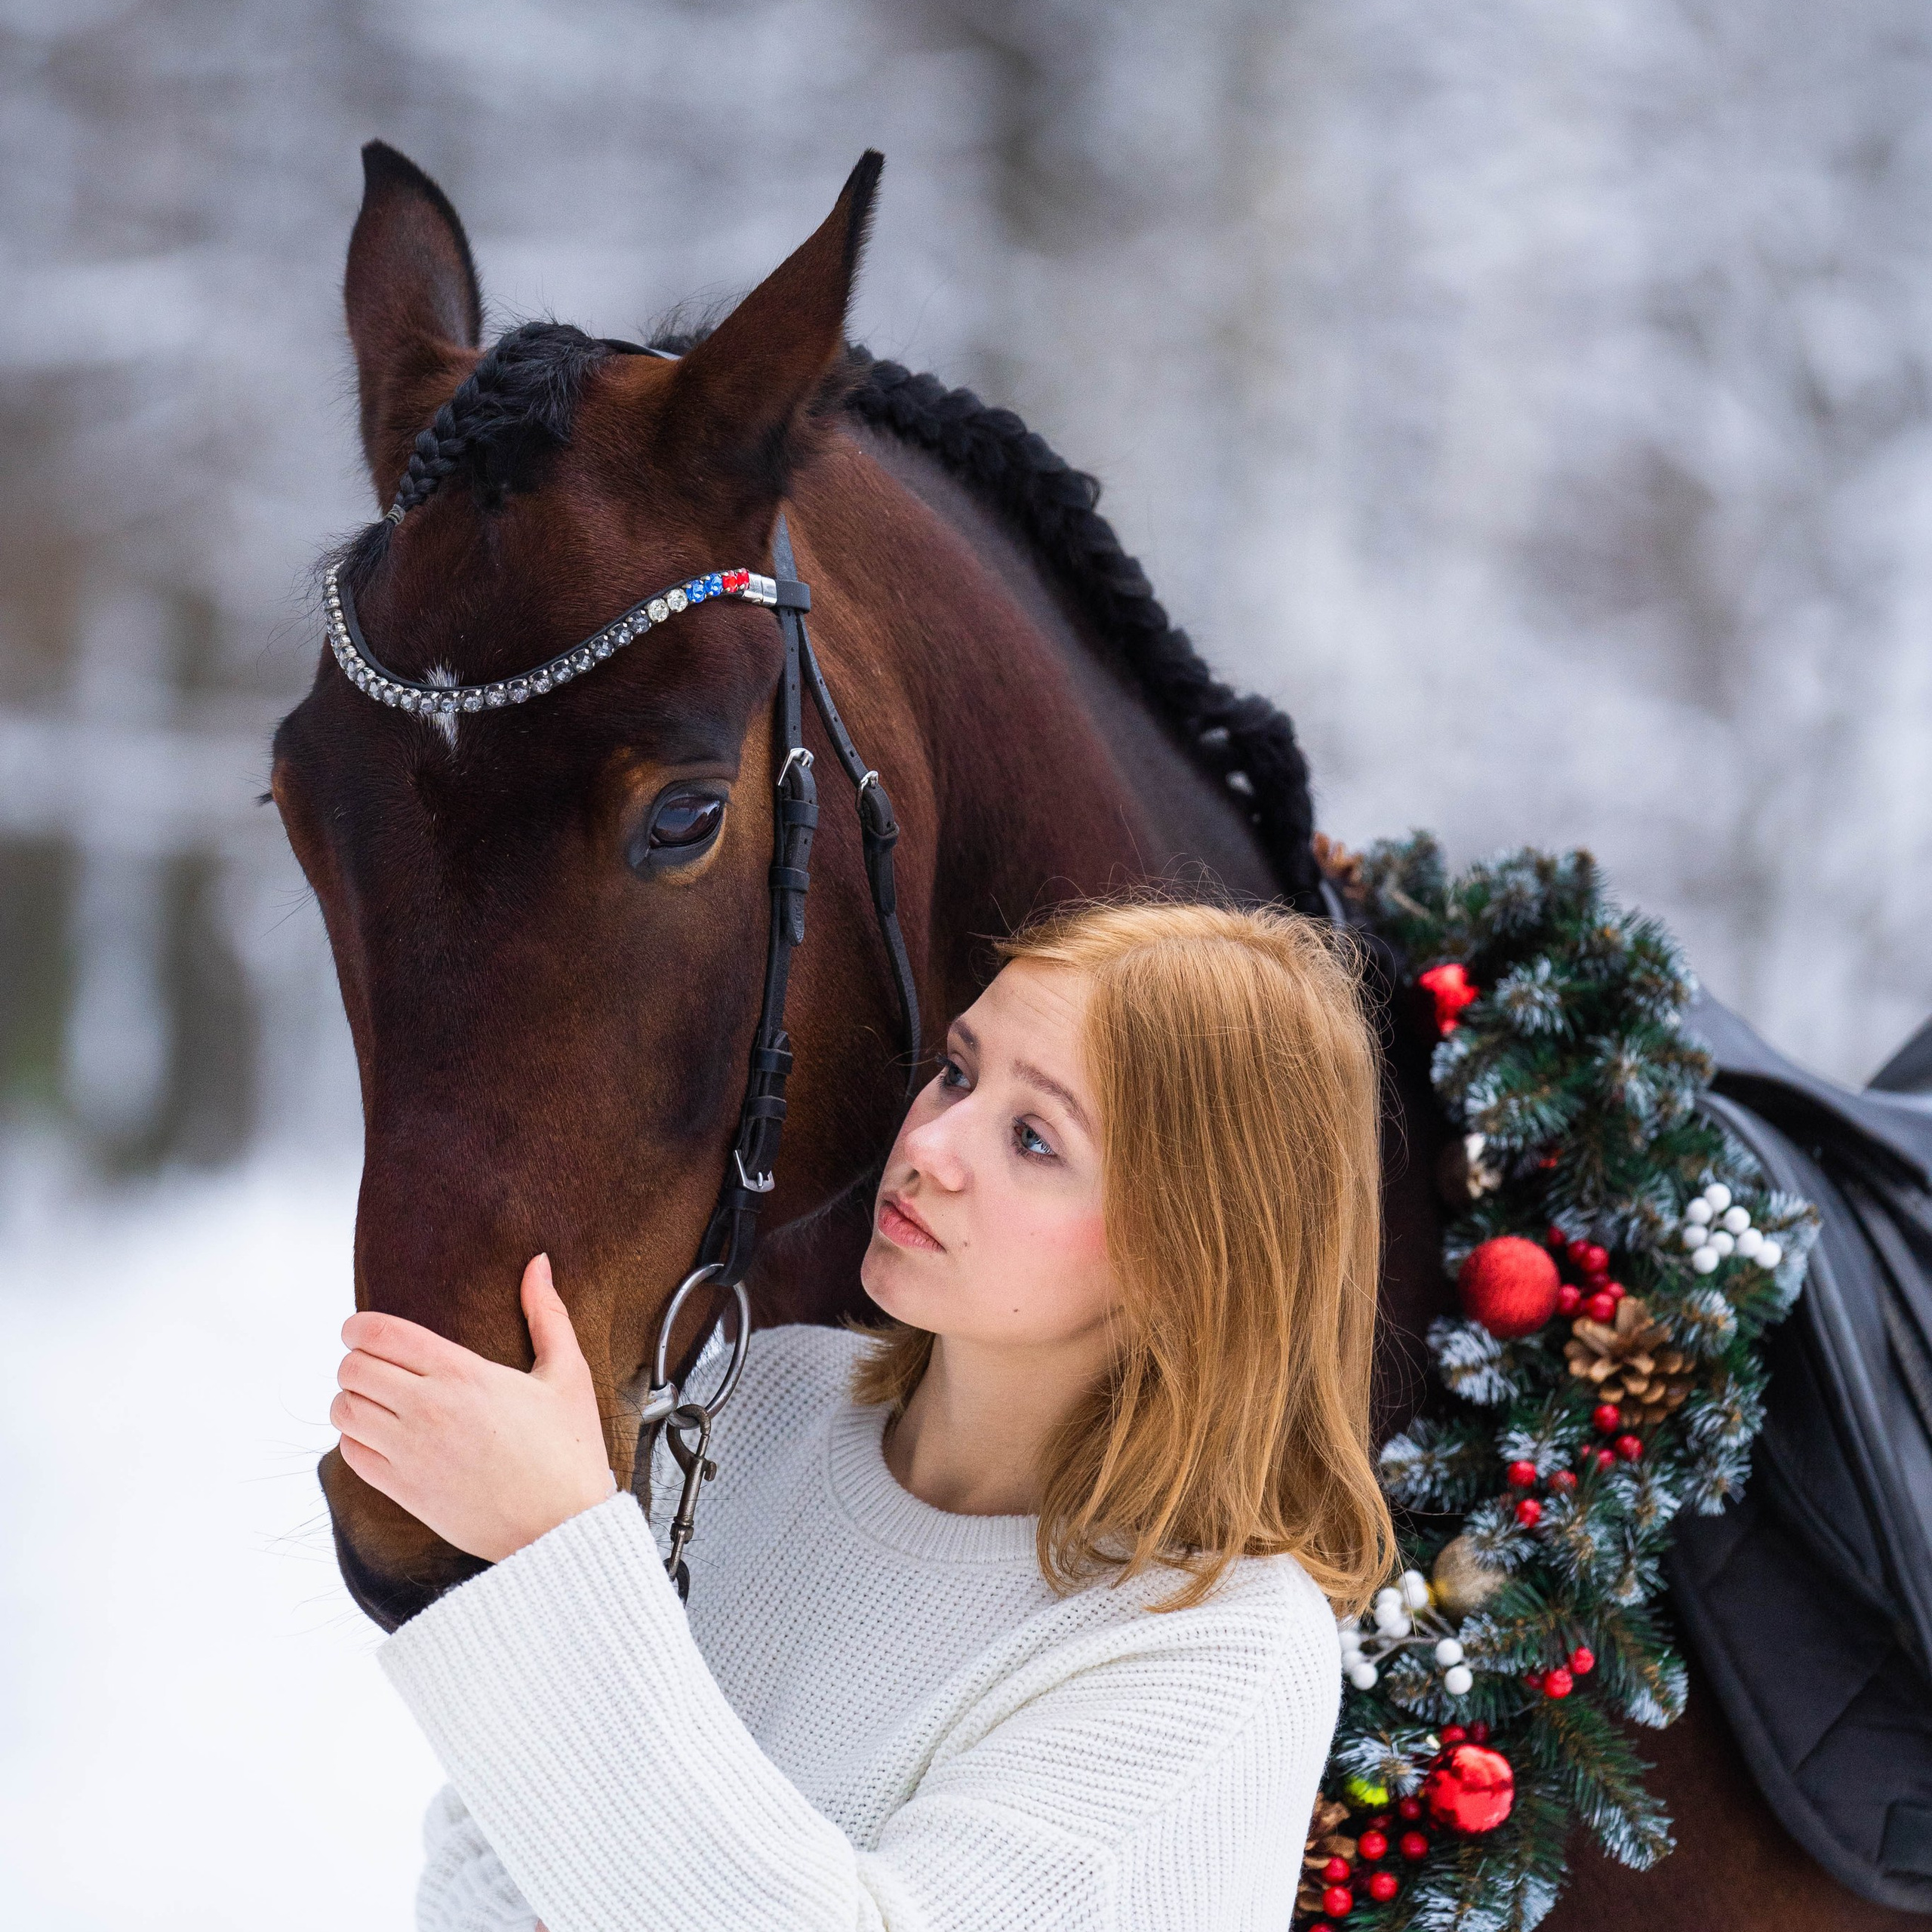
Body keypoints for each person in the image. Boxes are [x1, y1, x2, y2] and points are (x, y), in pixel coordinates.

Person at [332, 897, 1394, 1931]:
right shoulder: (760, 1406)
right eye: (958, 1072)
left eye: (1032, 1138)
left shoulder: (1214, 1642)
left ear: (1191, 1259)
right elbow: (480, 1854)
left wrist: (557, 1547)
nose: (931, 1144)